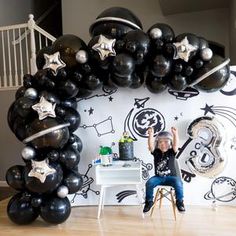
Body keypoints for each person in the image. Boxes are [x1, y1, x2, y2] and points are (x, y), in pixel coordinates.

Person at [143, 127, 185, 213]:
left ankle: (180, 202)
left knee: (178, 182)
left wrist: (175, 134)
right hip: (158, 178)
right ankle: (149, 202)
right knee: (149, 183)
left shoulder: (171, 152)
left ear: (170, 143)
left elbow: (176, 144)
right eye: (160, 142)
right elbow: (150, 145)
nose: (163, 144)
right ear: (157, 144)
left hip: (171, 178)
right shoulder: (156, 153)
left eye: (166, 142)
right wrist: (151, 134)